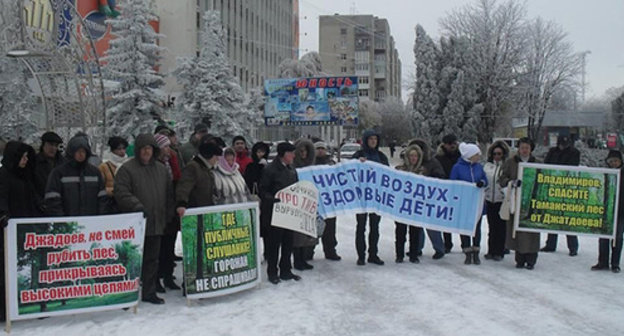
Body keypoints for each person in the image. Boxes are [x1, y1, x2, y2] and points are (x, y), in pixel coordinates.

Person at [114, 134, 175, 304]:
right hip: (135, 223)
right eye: (144, 148)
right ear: (139, 150)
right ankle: (124, 294)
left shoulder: (161, 169)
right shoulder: (127, 169)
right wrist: (136, 206)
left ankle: (149, 292)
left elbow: (169, 193)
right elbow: (121, 192)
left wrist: (168, 213)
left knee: (152, 260)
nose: (147, 152)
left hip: (156, 222)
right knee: (130, 260)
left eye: (150, 148)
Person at [0, 141, 42, 321]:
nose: (25, 160)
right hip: (7, 231)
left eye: (27, 157)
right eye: (22, 157)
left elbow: (33, 199)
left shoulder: (25, 176)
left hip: (24, 229)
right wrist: (3, 214)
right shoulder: (4, 175)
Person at [260, 142, 300, 284]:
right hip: (274, 213)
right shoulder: (270, 169)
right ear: (284, 154)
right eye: (291, 153)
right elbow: (263, 191)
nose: (294, 156)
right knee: (273, 245)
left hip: (289, 213)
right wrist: (275, 200)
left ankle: (286, 270)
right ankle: (272, 272)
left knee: (288, 243)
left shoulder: (292, 169)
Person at [499, 137, 541, 270]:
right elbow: (502, 179)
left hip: (531, 202)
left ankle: (531, 259)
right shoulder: (511, 162)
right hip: (515, 201)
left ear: (531, 149)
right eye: (522, 148)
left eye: (527, 148)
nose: (524, 150)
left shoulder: (538, 163)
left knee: (531, 231)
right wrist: (512, 183)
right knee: (517, 231)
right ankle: (520, 259)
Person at [44, 135, 108, 216]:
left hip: (92, 222)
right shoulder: (59, 173)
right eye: (78, 151)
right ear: (71, 152)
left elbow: (103, 199)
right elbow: (52, 200)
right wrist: (62, 220)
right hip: (68, 223)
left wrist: (99, 218)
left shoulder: (95, 173)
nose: (81, 154)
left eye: (83, 151)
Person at [352, 129, 389, 266]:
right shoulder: (359, 154)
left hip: (376, 198)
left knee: (375, 227)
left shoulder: (381, 156)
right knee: (361, 227)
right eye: (370, 139)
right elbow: (350, 171)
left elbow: (388, 175)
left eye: (375, 139)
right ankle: (361, 256)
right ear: (366, 140)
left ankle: (373, 254)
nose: (373, 141)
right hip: (361, 198)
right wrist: (357, 162)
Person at [404, 139, 446, 260]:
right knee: (416, 225)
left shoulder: (432, 162)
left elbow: (440, 176)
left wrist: (430, 180)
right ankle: (417, 248)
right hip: (413, 199)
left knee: (431, 225)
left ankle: (439, 248)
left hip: (429, 198)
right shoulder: (409, 164)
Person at [541, 135, 581, 256]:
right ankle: (550, 244)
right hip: (553, 185)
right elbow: (546, 165)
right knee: (553, 216)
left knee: (567, 216)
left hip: (567, 186)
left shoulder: (574, 152)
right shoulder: (552, 152)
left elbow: (572, 166)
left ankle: (573, 246)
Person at [450, 143, 487, 265]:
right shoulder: (457, 167)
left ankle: (476, 251)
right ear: (470, 155)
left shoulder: (479, 167)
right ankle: (467, 251)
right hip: (463, 202)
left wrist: (482, 182)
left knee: (476, 227)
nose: (478, 157)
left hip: (476, 202)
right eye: (476, 154)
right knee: (465, 227)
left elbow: (485, 179)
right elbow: (453, 183)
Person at [153, 134, 181, 291]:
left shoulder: (171, 163)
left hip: (170, 209)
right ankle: (156, 279)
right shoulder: (154, 166)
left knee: (169, 248)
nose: (168, 149)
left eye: (169, 146)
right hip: (158, 211)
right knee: (157, 250)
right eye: (165, 146)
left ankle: (168, 276)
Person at [591, 150, 624, 273]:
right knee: (604, 236)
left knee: (618, 238)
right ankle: (602, 262)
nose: (614, 163)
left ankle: (615, 263)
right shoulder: (605, 173)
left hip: (621, 212)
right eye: (611, 161)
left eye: (616, 161)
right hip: (606, 211)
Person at [394, 144, 425, 263]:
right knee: (400, 231)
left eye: (416, 156)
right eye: (411, 155)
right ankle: (399, 255)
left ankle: (414, 254)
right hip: (401, 206)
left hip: (415, 207)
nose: (413, 158)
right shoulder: (399, 170)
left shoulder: (422, 171)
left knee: (415, 232)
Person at [176, 142, 222, 216]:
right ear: (208, 155)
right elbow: (184, 187)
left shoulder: (207, 169)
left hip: (205, 210)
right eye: (216, 156)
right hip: (195, 211)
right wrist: (181, 203)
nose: (217, 159)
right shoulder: (193, 167)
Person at [292, 139, 318, 270]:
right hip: (296, 203)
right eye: (301, 151)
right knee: (297, 234)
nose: (304, 154)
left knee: (307, 232)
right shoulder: (292, 167)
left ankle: (304, 258)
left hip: (309, 203)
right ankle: (297, 259)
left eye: (306, 151)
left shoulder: (312, 166)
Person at [483, 140, 510, 261]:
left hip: (502, 200)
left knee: (501, 228)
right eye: (494, 154)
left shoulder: (506, 166)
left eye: (499, 154)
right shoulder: (487, 166)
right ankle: (491, 250)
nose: (497, 156)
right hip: (490, 199)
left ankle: (500, 251)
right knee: (491, 227)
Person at [313, 141, 341, 261]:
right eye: (318, 148)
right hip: (313, 201)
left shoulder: (331, 164)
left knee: (330, 229)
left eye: (322, 148)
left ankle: (330, 251)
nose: (320, 150)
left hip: (329, 203)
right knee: (311, 227)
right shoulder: (309, 163)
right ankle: (308, 250)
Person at [435, 134, 461, 253]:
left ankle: (465, 243)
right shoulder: (438, 158)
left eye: (454, 143)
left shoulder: (461, 157)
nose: (452, 146)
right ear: (444, 144)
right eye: (450, 143)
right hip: (444, 191)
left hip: (460, 190)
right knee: (445, 218)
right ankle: (447, 243)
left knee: (461, 217)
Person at [34, 131, 66, 196]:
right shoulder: (34, 162)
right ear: (43, 145)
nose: (53, 148)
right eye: (50, 144)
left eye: (56, 145)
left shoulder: (63, 163)